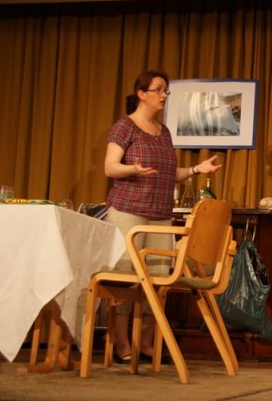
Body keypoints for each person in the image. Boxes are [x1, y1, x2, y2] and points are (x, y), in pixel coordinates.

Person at [104, 70, 221, 364]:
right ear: (141, 94)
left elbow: (169, 174)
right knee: (126, 279)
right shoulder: (125, 126)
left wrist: (196, 170)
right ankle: (121, 345)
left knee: (157, 281)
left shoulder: (164, 131)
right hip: (128, 212)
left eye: (165, 91)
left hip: (159, 215)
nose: (163, 95)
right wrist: (133, 169)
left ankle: (144, 343)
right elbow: (110, 167)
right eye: (157, 89)